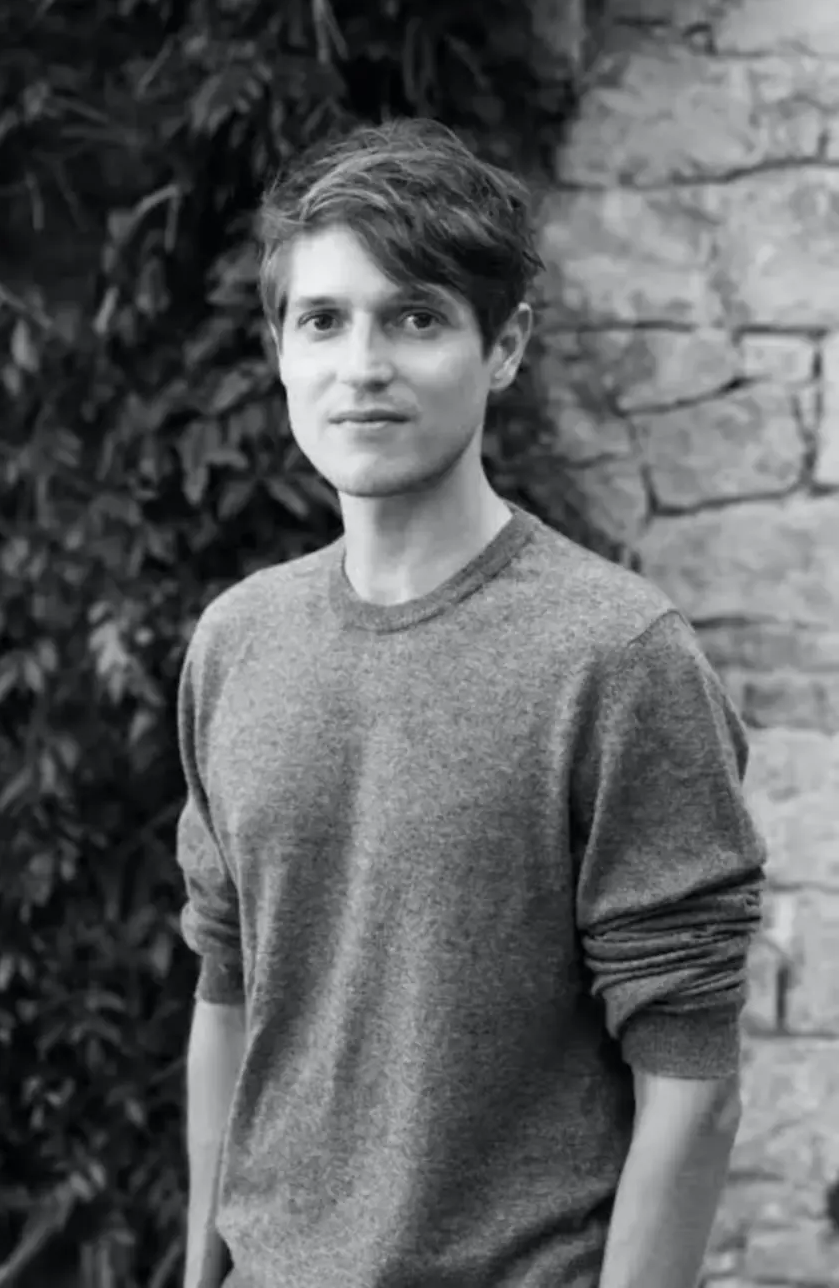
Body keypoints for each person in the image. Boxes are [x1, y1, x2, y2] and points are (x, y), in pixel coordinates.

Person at [176, 117, 767, 1288]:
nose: (361, 365)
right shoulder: (236, 641)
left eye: (416, 318)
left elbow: (691, 1089)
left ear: (503, 348)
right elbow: (228, 993)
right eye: (323, 320)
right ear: (279, 349)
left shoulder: (614, 656)